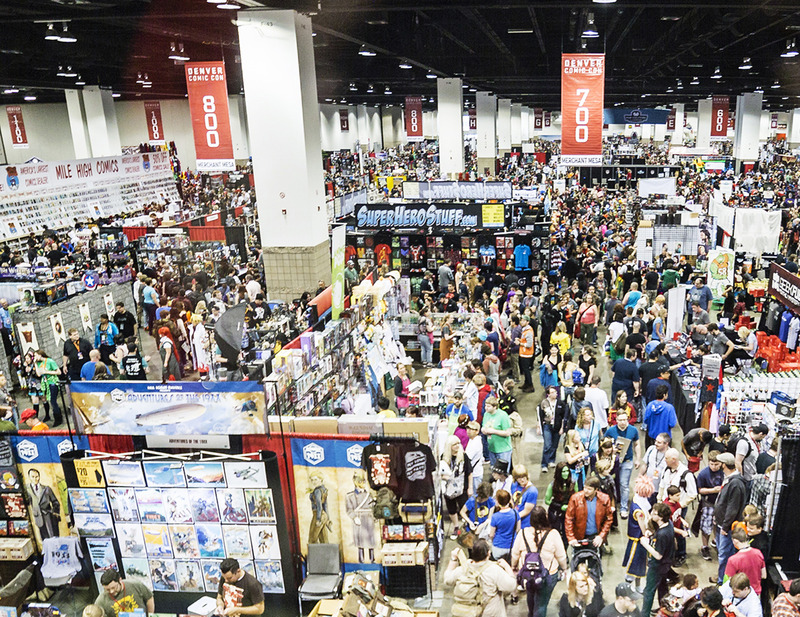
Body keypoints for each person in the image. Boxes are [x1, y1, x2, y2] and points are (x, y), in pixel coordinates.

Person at [512, 506, 569, 617]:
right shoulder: (553, 534)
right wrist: (564, 568)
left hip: (528, 574)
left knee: (530, 596)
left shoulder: (522, 533)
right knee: (541, 603)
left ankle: (531, 613)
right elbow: (561, 556)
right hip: (547, 575)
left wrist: (514, 567)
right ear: (545, 518)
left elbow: (515, 554)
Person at [444, 540, 516, 617]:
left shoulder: (464, 568)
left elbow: (448, 580)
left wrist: (453, 559)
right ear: (488, 553)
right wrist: (507, 566)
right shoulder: (494, 570)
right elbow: (511, 586)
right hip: (489, 613)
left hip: (468, 613)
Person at [714, 452, 747, 585]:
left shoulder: (736, 484)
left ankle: (723, 582)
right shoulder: (730, 479)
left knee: (725, 555)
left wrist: (725, 526)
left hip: (727, 528)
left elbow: (732, 508)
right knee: (722, 553)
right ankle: (721, 576)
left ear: (724, 465)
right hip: (722, 524)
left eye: (719, 463)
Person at [640, 502, 675, 616]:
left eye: (654, 513)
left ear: (660, 517)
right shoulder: (668, 525)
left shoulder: (662, 535)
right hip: (666, 565)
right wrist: (651, 533)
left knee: (649, 591)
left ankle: (644, 614)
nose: (651, 514)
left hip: (657, 567)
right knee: (663, 589)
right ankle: (664, 611)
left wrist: (645, 544)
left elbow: (658, 555)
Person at [604, 410, 640, 518]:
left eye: (625, 420)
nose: (623, 422)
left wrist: (638, 459)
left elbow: (637, 444)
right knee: (611, 483)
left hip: (627, 461)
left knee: (624, 485)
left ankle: (624, 508)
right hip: (612, 462)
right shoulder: (611, 431)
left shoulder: (633, 430)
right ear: (616, 420)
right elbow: (604, 444)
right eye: (620, 420)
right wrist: (611, 449)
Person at [622, 474, 654, 592]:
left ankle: (637, 585)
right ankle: (630, 587)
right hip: (638, 539)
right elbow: (642, 526)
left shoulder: (638, 499)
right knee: (635, 563)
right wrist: (648, 533)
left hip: (638, 538)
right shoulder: (638, 509)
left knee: (639, 564)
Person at [565, 476, 613, 549]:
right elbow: (569, 519)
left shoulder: (604, 499)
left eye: (589, 489)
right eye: (585, 488)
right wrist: (571, 537)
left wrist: (601, 536)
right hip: (579, 537)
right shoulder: (575, 498)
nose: (586, 491)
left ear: (596, 489)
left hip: (595, 537)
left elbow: (609, 519)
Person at [440, 435, 473, 538]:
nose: (458, 446)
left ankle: (466, 527)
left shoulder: (464, 456)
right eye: (455, 444)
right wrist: (444, 477)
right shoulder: (444, 457)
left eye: (459, 443)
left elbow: (469, 472)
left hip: (461, 488)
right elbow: (439, 472)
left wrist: (470, 487)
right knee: (451, 509)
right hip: (448, 489)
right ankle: (456, 527)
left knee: (464, 508)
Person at [696, 450, 724, 561]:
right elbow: (700, 490)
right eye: (711, 464)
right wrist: (713, 490)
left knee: (718, 524)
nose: (714, 467)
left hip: (721, 504)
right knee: (706, 526)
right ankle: (705, 546)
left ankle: (716, 541)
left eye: (716, 464)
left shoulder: (724, 472)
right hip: (708, 503)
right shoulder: (703, 474)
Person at [724, 528, 766, 594]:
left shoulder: (733, 560)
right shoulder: (758, 553)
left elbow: (730, 581)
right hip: (756, 593)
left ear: (735, 541)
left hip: (740, 594)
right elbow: (764, 575)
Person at [546, 462, 577, 547]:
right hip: (556, 512)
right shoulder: (552, 485)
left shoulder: (573, 483)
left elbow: (577, 497)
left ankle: (564, 550)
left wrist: (570, 506)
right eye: (563, 472)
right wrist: (560, 507)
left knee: (567, 534)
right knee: (555, 533)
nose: (565, 473)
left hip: (568, 512)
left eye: (567, 471)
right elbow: (547, 501)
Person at [27, 467, 61, 540]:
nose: (35, 479)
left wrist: (55, 513)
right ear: (29, 477)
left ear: (39, 477)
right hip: (37, 517)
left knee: (52, 535)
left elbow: (55, 502)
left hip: (48, 516)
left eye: (37, 476)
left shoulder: (46, 489)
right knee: (43, 537)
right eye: (33, 477)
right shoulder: (27, 490)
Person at [539, 386, 565, 472]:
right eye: (552, 392)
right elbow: (540, 415)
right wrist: (539, 426)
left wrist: (562, 428)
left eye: (555, 392)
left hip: (557, 426)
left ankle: (551, 460)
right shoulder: (544, 403)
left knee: (554, 445)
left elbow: (563, 417)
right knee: (547, 445)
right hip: (547, 426)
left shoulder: (560, 403)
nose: (555, 394)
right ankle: (544, 464)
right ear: (548, 394)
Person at [482, 396, 513, 469]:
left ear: (495, 407)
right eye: (485, 406)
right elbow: (484, 426)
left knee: (503, 471)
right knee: (494, 470)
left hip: (503, 450)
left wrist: (494, 431)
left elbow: (508, 433)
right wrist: (483, 430)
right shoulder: (486, 414)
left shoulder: (503, 415)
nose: (486, 408)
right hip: (492, 448)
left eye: (488, 406)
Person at [488, 489, 519, 562]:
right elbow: (518, 530)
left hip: (498, 547)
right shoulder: (515, 513)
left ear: (498, 501)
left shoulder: (495, 516)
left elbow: (491, 535)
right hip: (512, 546)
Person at [34, 349, 62, 426]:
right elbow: (39, 374)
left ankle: (58, 418)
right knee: (50, 400)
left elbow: (59, 372)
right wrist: (35, 364)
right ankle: (57, 415)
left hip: (52, 382)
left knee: (53, 401)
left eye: (36, 355)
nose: (35, 357)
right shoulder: (39, 363)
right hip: (46, 383)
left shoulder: (50, 361)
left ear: (40, 355)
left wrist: (47, 372)